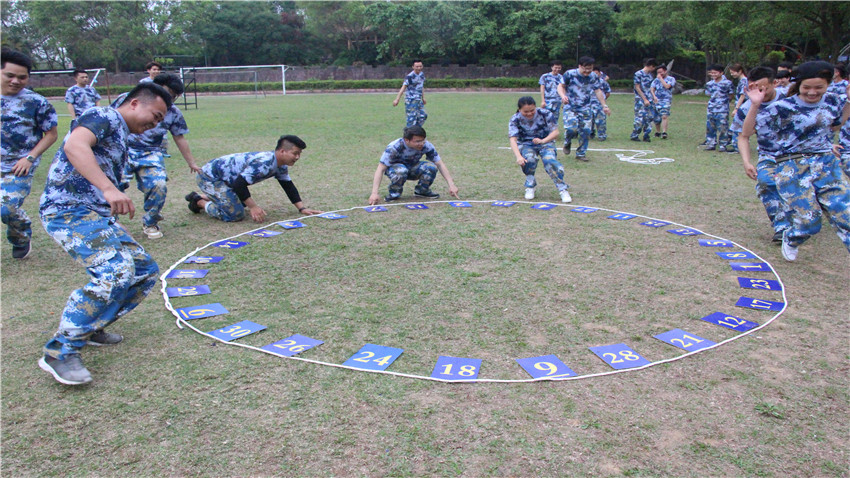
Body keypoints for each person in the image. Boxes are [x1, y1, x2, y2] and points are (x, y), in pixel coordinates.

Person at [37, 83, 172, 385]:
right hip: (68, 210)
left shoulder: (121, 134)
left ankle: (90, 326)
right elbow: (75, 145)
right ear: (135, 103)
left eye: (160, 120)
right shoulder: (105, 116)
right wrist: (109, 189)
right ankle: (60, 351)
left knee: (144, 270)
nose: (155, 124)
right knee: (115, 272)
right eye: (155, 115)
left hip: (95, 215)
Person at [743, 61, 850, 261]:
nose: (812, 92)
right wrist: (755, 105)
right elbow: (747, 132)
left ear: (828, 84)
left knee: (846, 216)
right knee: (810, 222)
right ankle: (792, 237)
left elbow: (835, 126)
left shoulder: (834, 100)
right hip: (793, 165)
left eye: (819, 87)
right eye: (807, 87)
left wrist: (849, 102)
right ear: (799, 85)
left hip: (826, 164)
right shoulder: (782, 108)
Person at [112, 73, 201, 239]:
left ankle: (150, 222)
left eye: (174, 97)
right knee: (113, 185)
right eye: (168, 94)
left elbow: (179, 137)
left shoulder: (173, 112)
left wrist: (192, 162)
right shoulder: (129, 99)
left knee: (158, 185)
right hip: (123, 149)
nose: (170, 99)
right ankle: (111, 224)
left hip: (151, 152)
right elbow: (111, 119)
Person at [1, 49, 58, 260]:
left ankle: (21, 235)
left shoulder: (36, 102)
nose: (16, 81)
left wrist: (30, 158)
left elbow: (51, 134)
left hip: (18, 165)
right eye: (10, 75)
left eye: (22, 77)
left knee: (7, 208)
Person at [186, 135, 322, 222]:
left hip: (226, 181)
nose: (297, 157)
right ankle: (199, 202)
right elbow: (239, 185)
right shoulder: (263, 163)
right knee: (235, 214)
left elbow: (288, 185)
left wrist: (302, 208)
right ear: (282, 151)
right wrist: (253, 207)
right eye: (295, 153)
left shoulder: (280, 165)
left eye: (299, 154)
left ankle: (205, 196)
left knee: (240, 201)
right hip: (209, 177)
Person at [733, 66, 791, 243]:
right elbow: (743, 136)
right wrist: (746, 162)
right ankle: (782, 227)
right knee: (765, 182)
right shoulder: (746, 108)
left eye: (764, 88)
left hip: (797, 154)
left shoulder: (791, 98)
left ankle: (800, 219)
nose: (760, 93)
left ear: (775, 83)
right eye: (755, 88)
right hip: (769, 154)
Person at [368, 125, 459, 204]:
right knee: (401, 170)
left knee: (431, 167)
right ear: (407, 140)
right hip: (396, 170)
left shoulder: (426, 145)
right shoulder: (394, 147)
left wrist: (451, 185)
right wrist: (374, 193)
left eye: (423, 140)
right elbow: (380, 169)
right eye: (417, 141)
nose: (421, 144)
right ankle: (395, 193)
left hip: (412, 167)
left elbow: (440, 164)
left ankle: (422, 191)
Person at [508, 96, 571, 203]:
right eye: (525, 111)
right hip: (526, 144)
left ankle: (562, 189)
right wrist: (518, 156)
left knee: (550, 161)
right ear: (519, 110)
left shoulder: (545, 114)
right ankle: (530, 185)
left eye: (532, 110)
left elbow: (555, 132)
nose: (529, 113)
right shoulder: (515, 119)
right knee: (529, 160)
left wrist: (543, 141)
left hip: (546, 142)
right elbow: (513, 139)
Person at [556, 56, 610, 161]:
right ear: (580, 66)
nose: (587, 71)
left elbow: (598, 91)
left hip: (585, 107)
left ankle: (581, 153)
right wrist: (563, 96)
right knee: (571, 129)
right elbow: (560, 86)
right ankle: (567, 142)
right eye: (585, 69)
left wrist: (604, 105)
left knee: (585, 131)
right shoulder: (570, 74)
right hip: (570, 107)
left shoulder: (593, 76)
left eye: (590, 69)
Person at [703, 64, 734, 152]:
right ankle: (711, 143)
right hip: (711, 108)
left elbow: (731, 95)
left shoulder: (727, 83)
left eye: (715, 73)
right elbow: (708, 94)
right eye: (711, 73)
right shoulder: (709, 84)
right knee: (710, 127)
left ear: (721, 73)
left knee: (723, 127)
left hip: (722, 109)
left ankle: (723, 145)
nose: (713, 75)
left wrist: (725, 103)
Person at [392, 60, 427, 127]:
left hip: (419, 100)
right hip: (411, 100)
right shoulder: (410, 76)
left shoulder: (421, 75)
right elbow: (403, 88)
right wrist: (397, 99)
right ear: (413, 67)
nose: (419, 68)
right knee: (411, 119)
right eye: (417, 66)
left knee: (423, 116)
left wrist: (423, 98)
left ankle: (415, 130)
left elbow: (421, 86)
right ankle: (409, 132)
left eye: (420, 66)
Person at [630, 58, 657, 142]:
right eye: (654, 67)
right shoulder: (638, 74)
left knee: (649, 118)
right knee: (640, 118)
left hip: (650, 99)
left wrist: (653, 97)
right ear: (651, 66)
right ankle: (635, 135)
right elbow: (637, 87)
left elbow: (651, 88)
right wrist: (644, 99)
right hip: (640, 99)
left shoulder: (650, 75)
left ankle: (646, 135)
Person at [650, 64, 675, 139]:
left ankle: (664, 132)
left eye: (661, 72)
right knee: (656, 118)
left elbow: (667, 86)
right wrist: (654, 96)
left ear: (665, 71)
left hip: (666, 100)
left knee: (664, 115)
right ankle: (658, 132)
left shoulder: (671, 79)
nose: (659, 74)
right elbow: (652, 88)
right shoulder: (655, 80)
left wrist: (661, 79)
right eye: (658, 72)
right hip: (656, 100)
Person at [728, 63, 749, 153]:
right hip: (742, 107)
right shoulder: (742, 81)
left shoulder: (744, 81)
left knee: (738, 127)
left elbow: (742, 96)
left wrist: (736, 108)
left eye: (733, 72)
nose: (732, 74)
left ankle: (738, 147)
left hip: (742, 108)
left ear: (740, 71)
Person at [589, 65, 611, 141]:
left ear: (599, 73)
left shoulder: (602, 82)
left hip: (599, 105)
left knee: (601, 121)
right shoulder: (586, 82)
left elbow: (608, 92)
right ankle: (590, 134)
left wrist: (603, 101)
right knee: (589, 121)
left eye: (596, 73)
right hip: (588, 104)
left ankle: (602, 135)